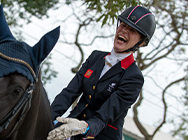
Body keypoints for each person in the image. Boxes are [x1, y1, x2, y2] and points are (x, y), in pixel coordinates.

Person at [47, 6, 156, 140]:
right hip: (69, 127)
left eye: (132, 30)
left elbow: (104, 117)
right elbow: (69, 93)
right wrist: (46, 118)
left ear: (141, 42)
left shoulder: (134, 78)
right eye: (123, 25)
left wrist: (84, 127)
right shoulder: (95, 57)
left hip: (100, 135)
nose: (124, 31)